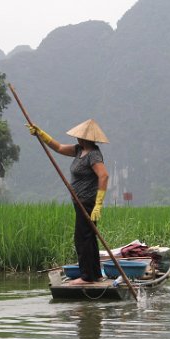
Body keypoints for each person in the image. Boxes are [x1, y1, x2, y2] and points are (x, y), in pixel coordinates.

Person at [27, 119, 110, 285]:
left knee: (82, 238)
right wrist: (40, 134)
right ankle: (95, 275)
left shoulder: (93, 154)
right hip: (79, 201)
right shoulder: (79, 150)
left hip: (87, 202)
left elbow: (104, 176)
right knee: (89, 237)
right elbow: (58, 147)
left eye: (79, 137)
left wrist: (98, 204)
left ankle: (86, 277)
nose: (77, 138)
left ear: (85, 138)